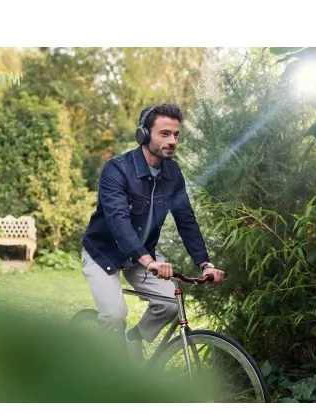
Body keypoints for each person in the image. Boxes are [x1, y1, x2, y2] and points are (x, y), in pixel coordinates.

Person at [81, 103, 225, 360]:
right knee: (114, 315)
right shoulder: (117, 169)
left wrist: (205, 264)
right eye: (165, 134)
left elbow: (186, 220)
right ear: (144, 135)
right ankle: (105, 371)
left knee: (171, 305)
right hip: (103, 253)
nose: (173, 141)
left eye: (176, 135)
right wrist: (149, 262)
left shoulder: (173, 173)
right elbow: (118, 222)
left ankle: (134, 339)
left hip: (142, 254)